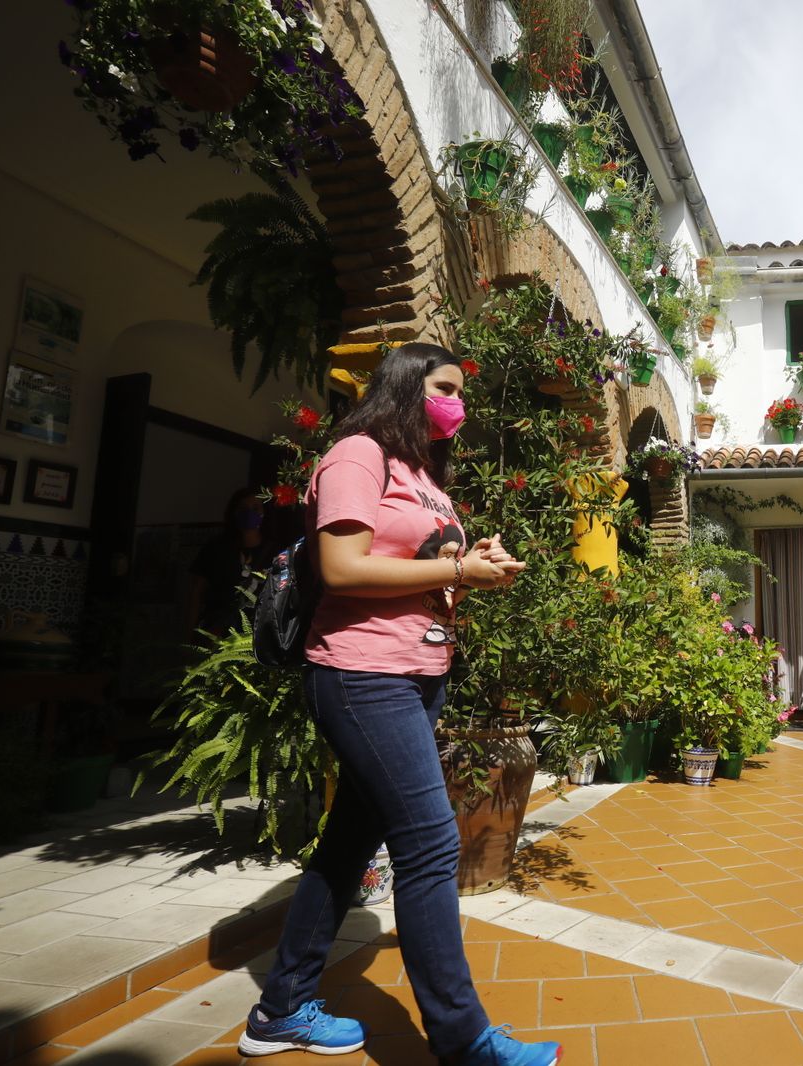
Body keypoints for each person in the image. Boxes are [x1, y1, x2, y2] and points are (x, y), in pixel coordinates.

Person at [237, 343, 555, 1066]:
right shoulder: (357, 453)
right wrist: (455, 567)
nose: (457, 404)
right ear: (407, 387)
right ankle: (464, 1039)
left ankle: (278, 1010)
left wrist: (475, 566)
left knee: (349, 841)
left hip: (417, 673)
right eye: (444, 387)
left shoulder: (423, 474)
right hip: (361, 673)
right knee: (431, 840)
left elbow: (423, 566)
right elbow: (342, 568)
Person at [187, 487, 272, 638]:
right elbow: (195, 592)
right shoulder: (215, 548)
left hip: (259, 636)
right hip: (217, 634)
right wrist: (190, 633)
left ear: (265, 512)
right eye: (243, 508)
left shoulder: (274, 551)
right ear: (234, 512)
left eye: (255, 508)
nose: (249, 513)